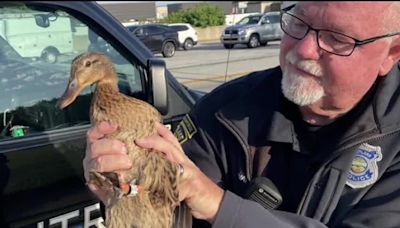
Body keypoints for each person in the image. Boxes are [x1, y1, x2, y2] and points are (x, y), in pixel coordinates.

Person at [83, 2, 400, 227]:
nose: (302, 50)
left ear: (391, 53)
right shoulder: (224, 111)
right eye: (299, 23)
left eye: (336, 38)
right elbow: (169, 212)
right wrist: (120, 187)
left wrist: (219, 205)